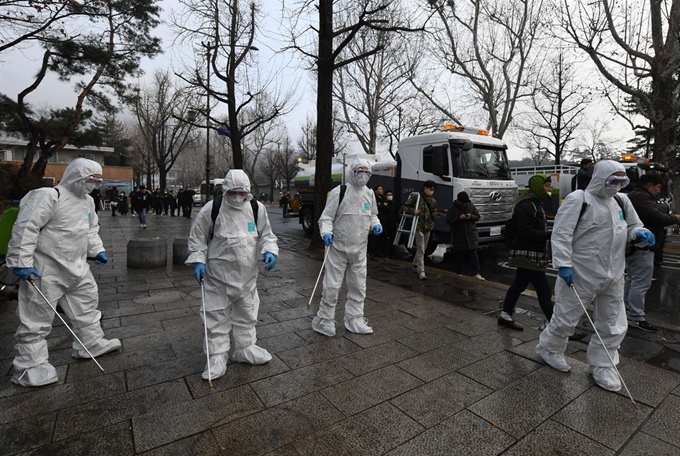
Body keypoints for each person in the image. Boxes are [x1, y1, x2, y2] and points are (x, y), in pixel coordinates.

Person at [537, 160, 653, 392]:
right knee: (566, 317)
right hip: (580, 274)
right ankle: (550, 348)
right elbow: (561, 234)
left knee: (612, 322)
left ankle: (603, 364)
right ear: (601, 177)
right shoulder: (579, 200)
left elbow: (632, 225)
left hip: (614, 273)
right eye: (614, 180)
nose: (618, 185)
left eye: (623, 181)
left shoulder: (622, 200)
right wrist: (563, 265)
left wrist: (640, 233)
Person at [6, 158, 121, 386]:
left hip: (77, 267)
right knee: (36, 316)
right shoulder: (49, 196)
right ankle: (29, 366)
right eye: (90, 180)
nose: (93, 185)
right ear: (77, 176)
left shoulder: (88, 202)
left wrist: (97, 250)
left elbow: (90, 230)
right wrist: (21, 260)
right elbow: (26, 226)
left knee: (86, 304)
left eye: (97, 182)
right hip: (45, 269)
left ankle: (90, 343)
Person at [186, 170, 279, 381]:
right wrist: (198, 260)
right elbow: (197, 238)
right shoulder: (213, 209)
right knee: (215, 316)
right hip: (217, 278)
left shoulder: (256, 208)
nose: (238, 197)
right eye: (233, 192)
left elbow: (267, 234)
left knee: (247, 314)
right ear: (225, 190)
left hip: (247, 278)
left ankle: (245, 347)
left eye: (242, 192)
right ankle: (217, 355)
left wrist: (270, 251)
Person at [312, 159, 382, 337]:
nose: (364, 175)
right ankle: (324, 320)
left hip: (359, 249)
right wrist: (326, 232)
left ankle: (354, 318)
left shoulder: (369, 194)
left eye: (367, 172)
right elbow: (326, 217)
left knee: (359, 286)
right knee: (332, 286)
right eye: (360, 171)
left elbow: (372, 214)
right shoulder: (340, 192)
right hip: (338, 248)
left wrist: (376, 224)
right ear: (352, 172)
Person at [625, 173, 680, 332]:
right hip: (643, 246)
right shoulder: (641, 198)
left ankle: (628, 311)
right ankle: (635, 316)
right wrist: (675, 218)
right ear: (649, 186)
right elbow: (655, 217)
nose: (658, 192)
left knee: (632, 279)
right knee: (640, 282)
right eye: (658, 188)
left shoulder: (637, 196)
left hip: (638, 246)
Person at [499, 175, 554, 331]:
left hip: (531, 254)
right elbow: (525, 232)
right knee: (543, 289)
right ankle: (555, 324)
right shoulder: (527, 206)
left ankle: (505, 314)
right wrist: (549, 235)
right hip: (528, 255)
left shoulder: (535, 204)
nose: (549, 189)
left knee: (519, 285)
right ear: (538, 187)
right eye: (547, 186)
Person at [402, 180, 439, 280]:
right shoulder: (417, 197)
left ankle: (415, 265)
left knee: (423, 248)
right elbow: (405, 206)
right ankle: (421, 270)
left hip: (428, 226)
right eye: (431, 189)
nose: (432, 192)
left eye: (433, 190)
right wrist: (413, 211)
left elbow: (434, 210)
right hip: (418, 225)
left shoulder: (433, 200)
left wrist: (435, 215)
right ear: (425, 188)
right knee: (421, 248)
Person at [447, 191, 484, 280]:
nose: (464, 204)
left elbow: (478, 217)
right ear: (458, 201)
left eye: (465, 203)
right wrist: (459, 218)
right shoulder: (452, 208)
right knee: (459, 256)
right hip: (459, 236)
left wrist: (470, 217)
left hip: (471, 235)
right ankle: (459, 273)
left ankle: (476, 273)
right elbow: (449, 221)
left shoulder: (471, 206)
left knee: (474, 255)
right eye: (463, 203)